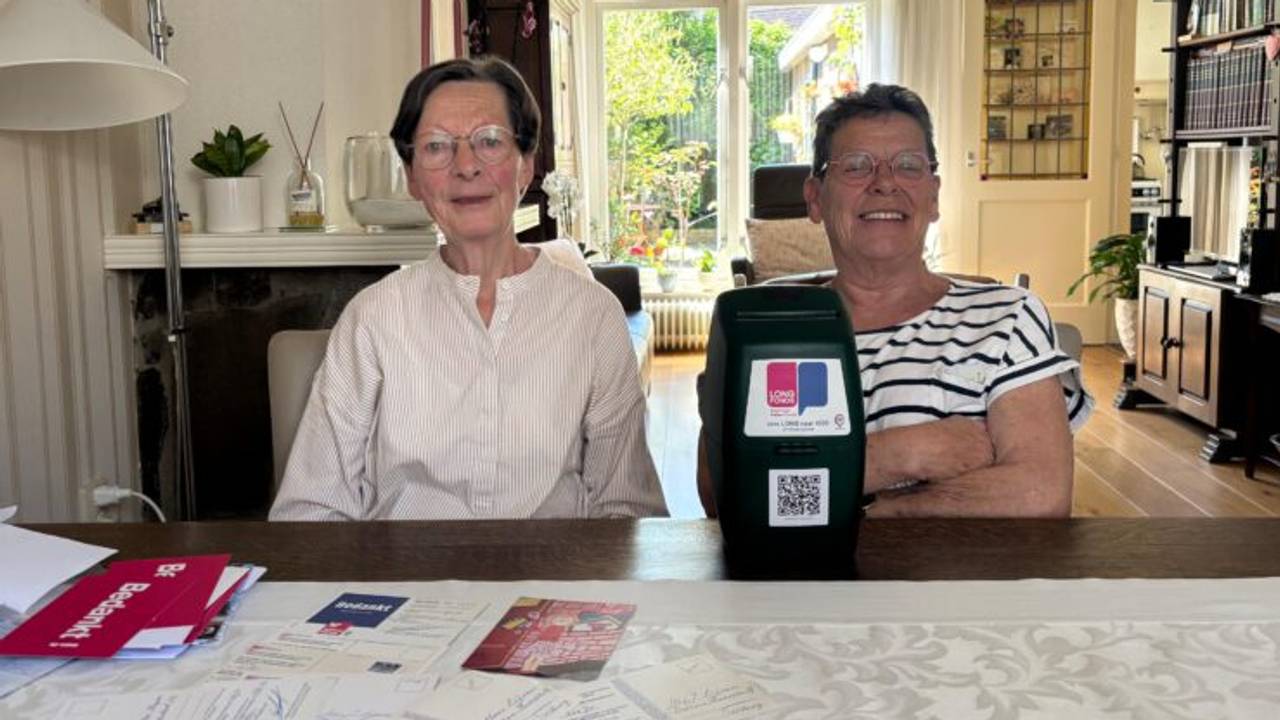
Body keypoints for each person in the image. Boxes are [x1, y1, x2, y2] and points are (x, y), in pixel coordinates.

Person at [271, 57, 667, 521]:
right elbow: (311, 508)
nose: (465, 166)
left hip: (553, 577)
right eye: (437, 146)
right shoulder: (374, 316)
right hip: (403, 581)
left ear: (524, 167)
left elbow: (626, 509)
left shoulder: (592, 315)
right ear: (413, 177)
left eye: (490, 142)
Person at [701, 83, 1092, 518]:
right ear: (815, 198)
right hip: (800, 584)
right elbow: (726, 496)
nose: (885, 183)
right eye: (856, 166)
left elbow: (1040, 495)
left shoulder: (1008, 316)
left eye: (908, 165)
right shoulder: (761, 330)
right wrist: (906, 454)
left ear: (934, 194)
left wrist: (865, 506)